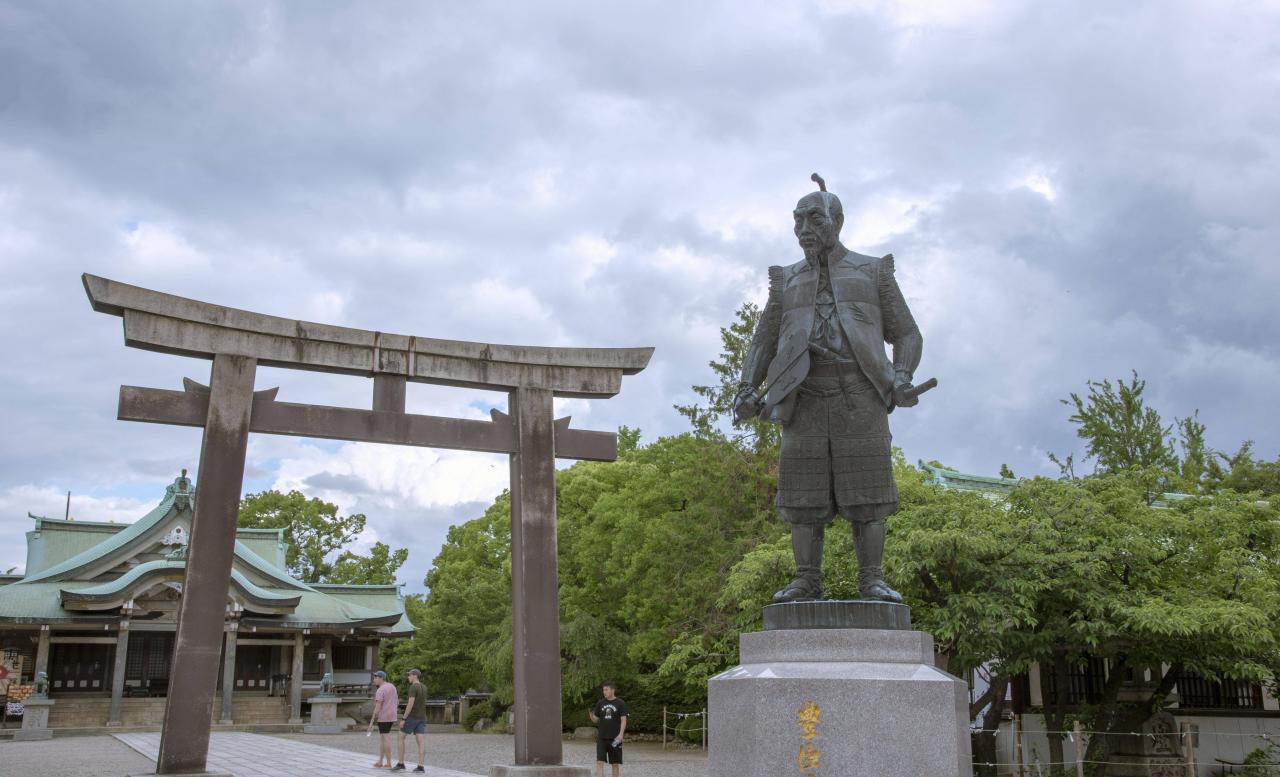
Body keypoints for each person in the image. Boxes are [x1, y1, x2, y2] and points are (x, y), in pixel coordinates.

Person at [734, 173, 925, 604]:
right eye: (798, 220)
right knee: (803, 495)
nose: (804, 229)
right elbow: (764, 339)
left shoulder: (873, 271)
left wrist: (903, 375)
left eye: (813, 219)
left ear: (836, 221)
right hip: (803, 398)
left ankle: (871, 579)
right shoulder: (786, 280)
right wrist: (748, 385)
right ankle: (806, 578)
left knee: (869, 493)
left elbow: (907, 334)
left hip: (859, 396)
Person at [588, 682, 627, 777]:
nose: (604, 692)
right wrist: (591, 716)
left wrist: (621, 734)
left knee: (615, 764)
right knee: (599, 762)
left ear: (612, 690)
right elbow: (596, 719)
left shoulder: (620, 703)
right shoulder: (600, 703)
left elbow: (623, 720)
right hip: (601, 738)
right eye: (603, 690)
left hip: (615, 738)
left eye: (606, 690)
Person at [392, 669, 427, 773]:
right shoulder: (424, 687)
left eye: (409, 675)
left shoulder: (413, 687)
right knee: (420, 741)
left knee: (400, 736)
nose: (408, 677)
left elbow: (410, 704)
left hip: (412, 717)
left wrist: (403, 718)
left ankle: (401, 763)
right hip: (422, 717)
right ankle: (421, 766)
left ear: (414, 676)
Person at [368, 670, 399, 769]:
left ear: (381, 678)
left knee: (385, 738)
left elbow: (377, 707)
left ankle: (389, 763)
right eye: (374, 678)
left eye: (376, 678)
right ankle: (380, 761)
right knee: (382, 738)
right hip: (392, 716)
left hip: (384, 716)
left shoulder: (380, 690)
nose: (374, 680)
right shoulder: (392, 686)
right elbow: (397, 701)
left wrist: (371, 722)